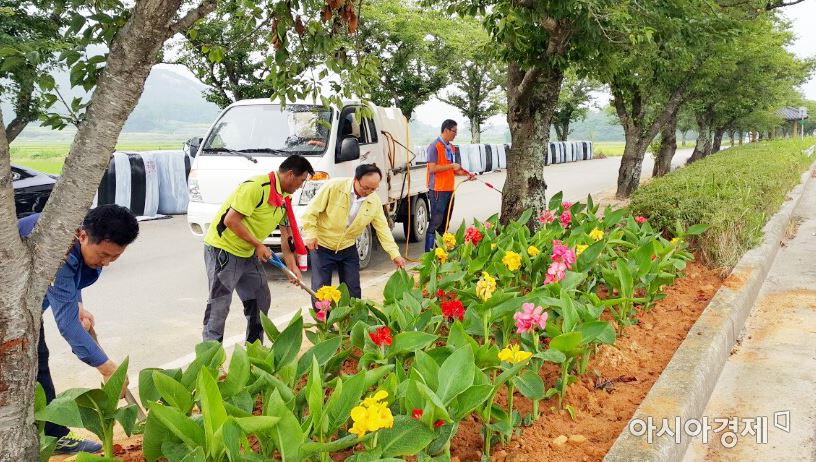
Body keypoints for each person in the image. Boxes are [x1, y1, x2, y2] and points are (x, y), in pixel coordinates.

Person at [17, 204, 140, 454]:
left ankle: (54, 436)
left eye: (114, 257)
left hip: (24, 308)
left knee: (38, 362)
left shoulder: (72, 230)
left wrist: (78, 304)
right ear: (83, 235)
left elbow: (73, 273)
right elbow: (68, 325)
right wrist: (107, 368)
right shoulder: (55, 249)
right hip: (10, 311)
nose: (106, 263)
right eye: (104, 255)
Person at [202, 155, 314, 342]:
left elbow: (286, 235)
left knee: (260, 299)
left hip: (247, 252)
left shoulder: (284, 197)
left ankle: (254, 351)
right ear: (290, 174)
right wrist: (258, 245)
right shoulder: (256, 187)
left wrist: (292, 267)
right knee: (219, 304)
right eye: (301, 181)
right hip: (224, 250)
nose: (301, 186)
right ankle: (210, 360)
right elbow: (230, 221)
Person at [301, 164, 407, 299]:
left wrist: (395, 254)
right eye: (365, 187)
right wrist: (310, 234)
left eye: (373, 189)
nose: (368, 192)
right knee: (321, 290)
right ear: (356, 179)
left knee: (353, 291)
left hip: (348, 247)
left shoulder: (374, 201)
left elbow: (383, 229)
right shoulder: (333, 187)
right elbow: (310, 213)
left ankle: (350, 319)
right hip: (322, 245)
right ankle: (323, 320)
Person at [425, 119, 474, 251]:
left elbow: (453, 170)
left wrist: (466, 174)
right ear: (446, 130)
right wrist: (451, 166)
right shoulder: (434, 147)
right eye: (454, 131)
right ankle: (427, 256)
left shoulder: (451, 147)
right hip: (437, 190)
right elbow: (432, 169)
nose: (455, 134)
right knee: (435, 223)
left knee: (445, 223)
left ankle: (439, 253)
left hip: (449, 189)